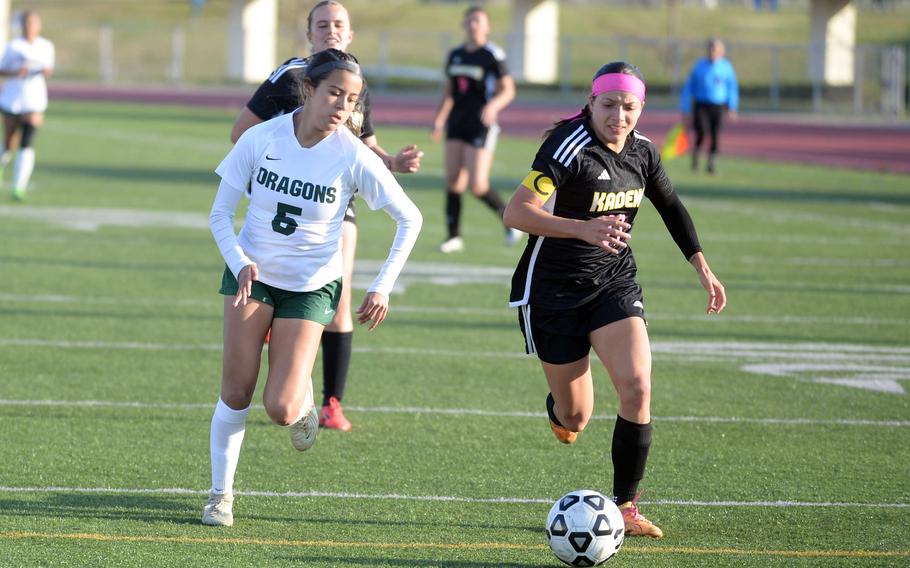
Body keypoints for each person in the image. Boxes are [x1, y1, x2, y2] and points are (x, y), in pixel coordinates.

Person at [503, 62, 726, 539]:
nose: (618, 116)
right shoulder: (568, 147)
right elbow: (517, 210)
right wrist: (581, 228)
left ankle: (626, 505)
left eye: (629, 107)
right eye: (608, 105)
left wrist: (701, 266)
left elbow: (670, 205)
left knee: (638, 386)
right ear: (591, 102)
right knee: (575, 416)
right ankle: (559, 410)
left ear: (640, 108)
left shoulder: (644, 151)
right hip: (554, 292)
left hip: (613, 283)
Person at [203, 48, 422, 527]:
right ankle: (221, 496)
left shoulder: (353, 155)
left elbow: (410, 218)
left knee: (280, 409)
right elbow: (220, 213)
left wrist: (382, 285)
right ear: (308, 89)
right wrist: (239, 262)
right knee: (236, 392)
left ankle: (302, 401)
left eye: (352, 99)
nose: (343, 106)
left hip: (310, 287)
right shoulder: (262, 138)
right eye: (334, 93)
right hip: (251, 276)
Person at [231, 0, 423, 432]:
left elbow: (366, 146)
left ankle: (331, 401)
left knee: (336, 298)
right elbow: (240, 133)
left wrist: (391, 161)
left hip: (335, 203)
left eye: (339, 24)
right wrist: (275, 168)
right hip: (285, 202)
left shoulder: (356, 82)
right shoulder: (290, 77)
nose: (331, 30)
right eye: (323, 24)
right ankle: (285, 350)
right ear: (309, 34)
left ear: (351, 34)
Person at [431, 5, 517, 254]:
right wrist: (439, 119)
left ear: (487, 27)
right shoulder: (455, 54)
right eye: (469, 21)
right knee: (454, 180)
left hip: (481, 125)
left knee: (478, 185)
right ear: (464, 25)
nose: (473, 25)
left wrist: (493, 106)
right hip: (457, 123)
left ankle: (511, 220)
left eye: (478, 21)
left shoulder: (492, 54)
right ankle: (454, 236)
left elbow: (508, 89)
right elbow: (449, 92)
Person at [0, 10, 54, 201]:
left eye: (33, 23)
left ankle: (18, 187)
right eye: (27, 23)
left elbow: (48, 68)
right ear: (22, 26)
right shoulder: (13, 47)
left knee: (27, 141)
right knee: (9, 142)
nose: (30, 27)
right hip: (13, 98)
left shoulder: (46, 46)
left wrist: (44, 70)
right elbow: (1, 70)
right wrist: (16, 72)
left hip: (34, 99)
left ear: (39, 26)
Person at [679, 39, 738, 174]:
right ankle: (696, 154)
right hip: (701, 104)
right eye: (711, 49)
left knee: (715, 134)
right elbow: (689, 88)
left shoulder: (726, 67)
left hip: (718, 105)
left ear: (721, 52)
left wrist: (732, 107)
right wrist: (686, 108)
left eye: (716, 49)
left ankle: (711, 162)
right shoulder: (699, 66)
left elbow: (732, 88)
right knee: (702, 131)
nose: (713, 52)